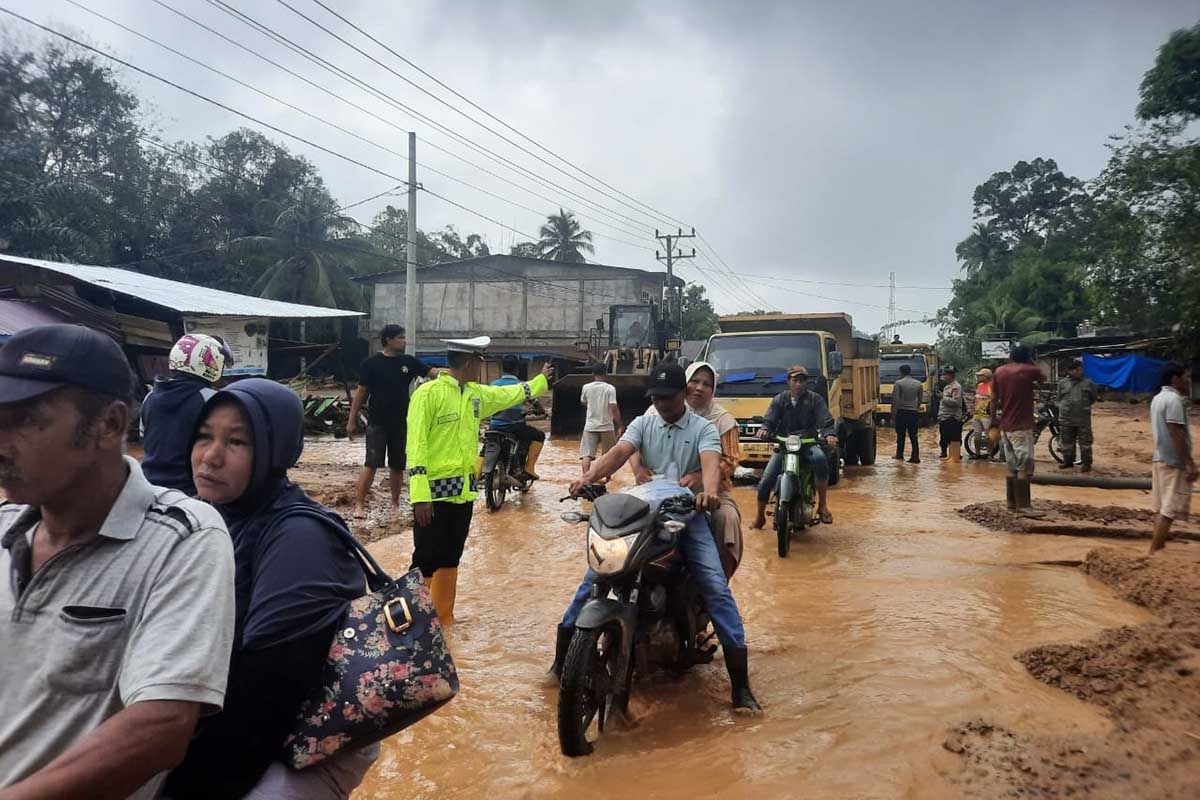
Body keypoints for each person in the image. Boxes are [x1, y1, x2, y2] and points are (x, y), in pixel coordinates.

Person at [0, 324, 236, 800]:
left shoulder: (184, 541)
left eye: (27, 420)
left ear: (109, 425)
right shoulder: (5, 524)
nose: (2, 442)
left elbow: (160, 728)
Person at [165, 378, 378, 799]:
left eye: (237, 442)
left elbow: (265, 698)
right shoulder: (216, 515)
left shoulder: (299, 537)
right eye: (203, 437)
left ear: (274, 450)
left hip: (306, 738)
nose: (210, 456)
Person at [556, 364, 761, 712]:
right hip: (644, 514)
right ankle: (560, 665)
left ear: (682, 395)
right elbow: (618, 454)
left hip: (686, 517)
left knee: (714, 586)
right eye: (657, 398)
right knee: (595, 576)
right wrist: (587, 477)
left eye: (668, 397)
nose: (662, 404)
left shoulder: (704, 428)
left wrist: (708, 492)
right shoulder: (643, 422)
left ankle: (741, 689)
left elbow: (712, 464)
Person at [406, 337, 552, 623]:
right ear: (470, 362)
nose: (481, 368)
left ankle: (443, 622)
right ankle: (416, 624)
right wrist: (419, 495)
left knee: (451, 556)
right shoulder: (428, 394)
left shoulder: (474, 394)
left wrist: (539, 382)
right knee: (425, 559)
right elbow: (416, 445)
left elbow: (509, 395)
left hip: (463, 493)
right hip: (433, 495)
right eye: (480, 362)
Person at [629, 361, 743, 578]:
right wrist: (638, 470)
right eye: (694, 381)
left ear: (713, 390)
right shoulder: (655, 411)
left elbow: (730, 460)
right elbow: (629, 444)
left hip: (707, 494)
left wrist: (700, 478)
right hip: (656, 491)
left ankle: (720, 578)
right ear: (684, 386)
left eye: (706, 384)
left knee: (726, 519)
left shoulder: (721, 421)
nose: (699, 388)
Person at [347, 324, 438, 518]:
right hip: (377, 422)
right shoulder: (371, 364)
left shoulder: (409, 362)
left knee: (398, 465)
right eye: (401, 337)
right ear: (388, 340)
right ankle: (359, 505)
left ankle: (395, 504)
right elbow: (361, 393)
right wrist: (351, 419)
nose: (405, 341)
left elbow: (433, 373)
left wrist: (455, 372)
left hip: (402, 423)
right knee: (371, 464)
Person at [140, 332, 232, 494]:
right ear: (210, 362)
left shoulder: (150, 397)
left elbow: (145, 440)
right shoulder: (212, 399)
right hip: (190, 490)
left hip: (148, 486)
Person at [750, 364, 837, 528]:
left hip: (807, 444)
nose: (799, 384)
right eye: (795, 380)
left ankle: (823, 505)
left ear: (806, 383)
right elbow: (770, 419)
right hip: (784, 445)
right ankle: (759, 516)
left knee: (820, 460)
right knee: (766, 480)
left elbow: (825, 419)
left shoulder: (815, 399)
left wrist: (829, 434)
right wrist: (764, 429)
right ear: (788, 382)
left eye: (802, 381)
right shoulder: (779, 399)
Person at [1148, 363, 1195, 554]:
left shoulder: (1158, 398)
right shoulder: (1174, 400)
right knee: (1169, 509)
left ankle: (1158, 546)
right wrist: (1189, 463)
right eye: (1186, 377)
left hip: (1160, 458)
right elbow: (1175, 432)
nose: (1189, 381)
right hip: (1173, 462)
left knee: (1162, 508)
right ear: (1175, 379)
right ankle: (1154, 551)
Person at [991, 344, 1044, 511]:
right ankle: (1025, 505)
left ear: (1011, 356)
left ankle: (1011, 503)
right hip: (1021, 425)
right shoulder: (1029, 370)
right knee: (1024, 466)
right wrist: (1030, 361)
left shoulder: (999, 372)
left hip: (1005, 426)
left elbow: (993, 398)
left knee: (1011, 466)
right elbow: (1043, 377)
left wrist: (993, 421)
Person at [489, 357, 547, 480]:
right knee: (540, 435)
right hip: (515, 426)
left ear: (502, 369)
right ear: (517, 370)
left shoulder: (492, 385)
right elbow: (535, 402)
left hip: (494, 425)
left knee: (486, 447)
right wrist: (542, 411)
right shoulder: (522, 386)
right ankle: (529, 468)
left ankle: (476, 473)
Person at [579, 362, 621, 474]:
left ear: (593, 373)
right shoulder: (610, 388)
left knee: (586, 455)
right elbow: (613, 407)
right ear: (606, 373)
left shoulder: (586, 387)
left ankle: (586, 478)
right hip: (607, 426)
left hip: (590, 426)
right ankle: (607, 478)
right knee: (608, 455)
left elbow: (583, 402)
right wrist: (620, 425)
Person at [1057, 359, 1098, 472]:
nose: (1079, 372)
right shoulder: (1062, 383)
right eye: (1076, 370)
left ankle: (1086, 464)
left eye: (1080, 370)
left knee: (1085, 442)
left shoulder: (1089, 383)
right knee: (1067, 441)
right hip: (1066, 417)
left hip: (1082, 418)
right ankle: (1068, 461)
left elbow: (1093, 398)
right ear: (1070, 371)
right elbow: (1059, 398)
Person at [892, 363, 923, 463]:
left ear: (901, 372)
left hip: (902, 412)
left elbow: (896, 400)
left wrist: (893, 414)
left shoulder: (898, 383)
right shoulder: (918, 384)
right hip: (913, 412)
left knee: (900, 435)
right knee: (913, 435)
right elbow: (920, 400)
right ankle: (915, 456)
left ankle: (899, 455)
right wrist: (916, 408)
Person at [937, 366, 966, 461]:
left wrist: (943, 397)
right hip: (945, 417)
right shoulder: (947, 386)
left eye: (945, 374)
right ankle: (951, 457)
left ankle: (955, 457)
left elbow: (956, 402)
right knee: (947, 437)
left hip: (952, 417)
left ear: (950, 375)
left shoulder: (956, 387)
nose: (943, 376)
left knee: (954, 438)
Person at [969, 368, 994, 459]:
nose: (978, 377)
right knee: (977, 435)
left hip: (986, 415)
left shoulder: (991, 386)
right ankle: (977, 453)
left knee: (989, 436)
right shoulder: (979, 385)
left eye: (980, 375)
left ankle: (990, 454)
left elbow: (994, 400)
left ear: (986, 376)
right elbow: (976, 399)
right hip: (977, 414)